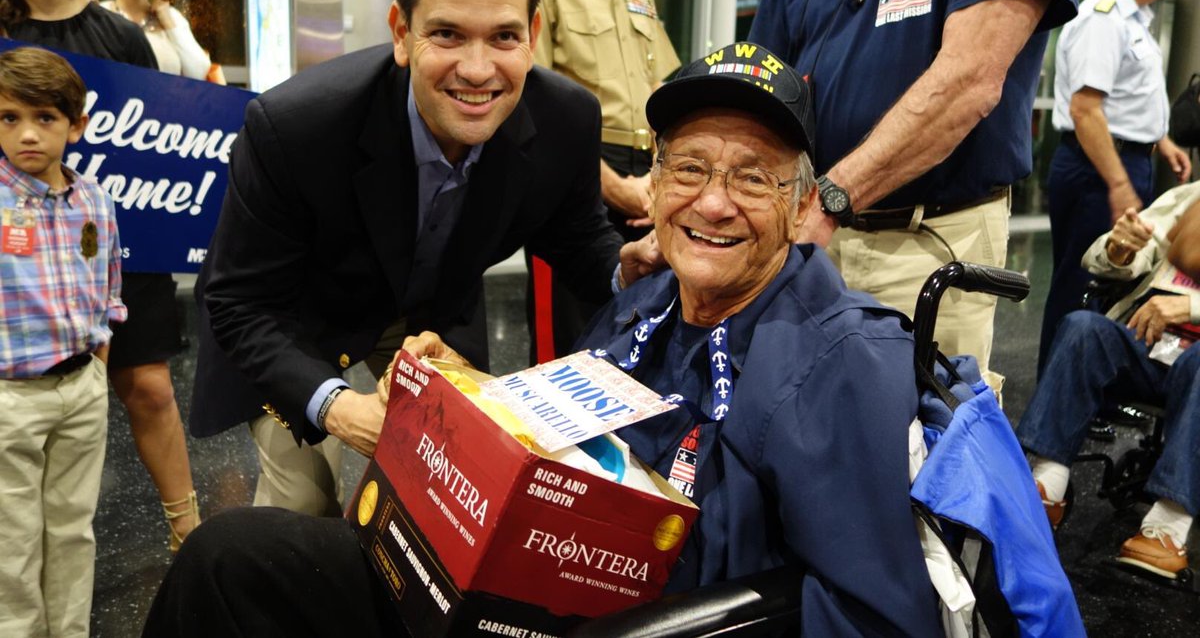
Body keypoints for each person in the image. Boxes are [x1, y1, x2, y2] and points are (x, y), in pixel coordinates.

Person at [145, 42, 944, 636]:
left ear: (804, 205)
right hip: (521, 587)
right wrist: (459, 394)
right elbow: (562, 437)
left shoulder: (846, 362)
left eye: (752, 177)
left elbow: (873, 617)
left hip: (639, 626)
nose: (713, 203)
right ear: (653, 186)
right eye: (689, 169)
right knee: (228, 558)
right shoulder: (648, 302)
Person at [190, 0, 651, 518]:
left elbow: (574, 237)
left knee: (459, 482)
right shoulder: (294, 126)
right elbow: (239, 302)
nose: (479, 70)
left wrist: (626, 269)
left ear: (533, 36)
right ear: (402, 33)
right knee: (302, 503)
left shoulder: (567, 118)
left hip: (429, 315)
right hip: (298, 316)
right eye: (448, 34)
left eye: (505, 36)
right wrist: (339, 408)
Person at [747, 0, 1078, 370]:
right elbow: (761, 95)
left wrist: (831, 198)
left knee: (918, 440)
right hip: (810, 239)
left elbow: (969, 81)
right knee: (788, 426)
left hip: (928, 243)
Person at [0, 0, 200, 550]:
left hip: (115, 250)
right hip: (16, 269)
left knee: (149, 388)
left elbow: (159, 155)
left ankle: (187, 528)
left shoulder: (119, 35)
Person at [528, 0, 681, 360]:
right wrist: (621, 190)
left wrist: (662, 180)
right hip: (578, 182)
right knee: (570, 347)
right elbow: (534, 114)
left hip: (647, 177)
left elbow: (665, 85)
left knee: (638, 336)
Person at [0, 46, 126, 636]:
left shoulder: (94, 199)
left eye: (45, 118)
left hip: (81, 388)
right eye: (8, 118)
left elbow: (108, 284)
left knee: (73, 527)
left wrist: (98, 362)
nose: (27, 134)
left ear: (77, 125)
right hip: (10, 399)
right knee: (12, 540)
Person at [1017, 181, 1200, 581]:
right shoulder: (1191, 197)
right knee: (1083, 328)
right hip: (1151, 341)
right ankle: (1047, 487)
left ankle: (1167, 530)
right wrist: (1120, 248)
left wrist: (1190, 306)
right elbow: (1104, 259)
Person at [1038, 0, 1191, 373]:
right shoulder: (1105, 18)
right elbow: (1087, 111)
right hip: (1099, 168)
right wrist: (1119, 184)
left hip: (1118, 162)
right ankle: (1058, 392)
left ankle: (1086, 390)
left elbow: (1122, 98)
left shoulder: (1131, 19)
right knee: (1081, 282)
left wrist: (1161, 141)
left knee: (1111, 280)